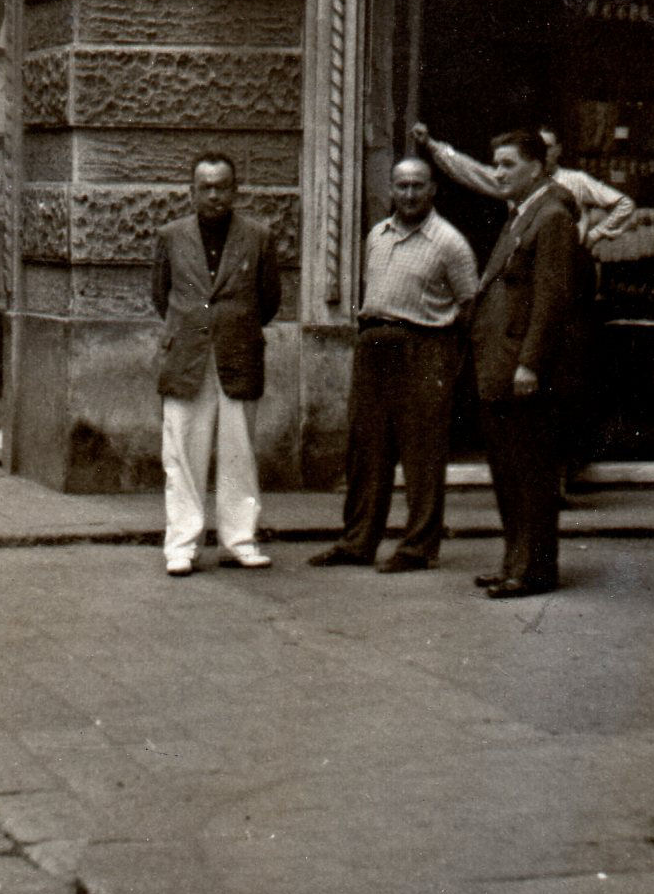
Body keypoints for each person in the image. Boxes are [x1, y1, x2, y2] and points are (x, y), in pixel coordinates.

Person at [309, 156, 478, 573]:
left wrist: (444, 358)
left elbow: (470, 305)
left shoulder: (450, 243)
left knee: (422, 453)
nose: (409, 193)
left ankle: (418, 547)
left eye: (418, 185)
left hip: (423, 347)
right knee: (366, 450)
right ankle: (357, 541)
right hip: (374, 345)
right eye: (402, 185)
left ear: (433, 190)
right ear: (391, 189)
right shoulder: (377, 235)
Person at [469, 129, 593, 599]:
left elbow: (551, 299)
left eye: (508, 164)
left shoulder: (553, 217)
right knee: (508, 473)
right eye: (495, 164)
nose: (498, 173)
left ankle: (534, 569)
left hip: (522, 369)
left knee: (531, 474)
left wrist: (531, 364)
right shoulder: (523, 213)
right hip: (501, 363)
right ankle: (513, 561)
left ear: (537, 167)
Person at [152, 153, 281, 576]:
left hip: (238, 355)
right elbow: (161, 295)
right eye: (204, 187)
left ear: (235, 190)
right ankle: (182, 545)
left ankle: (239, 541)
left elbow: (268, 300)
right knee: (181, 456)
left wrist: (232, 326)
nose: (213, 195)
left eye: (221, 186)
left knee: (239, 453)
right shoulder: (171, 236)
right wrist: (194, 328)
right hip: (186, 358)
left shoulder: (258, 237)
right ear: (191, 192)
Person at [414, 121, 637, 245]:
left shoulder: (576, 180)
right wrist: (432, 145)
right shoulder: (517, 181)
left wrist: (594, 235)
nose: (543, 152)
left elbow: (624, 204)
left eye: (548, 147)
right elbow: (471, 171)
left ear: (559, 149)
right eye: (537, 147)